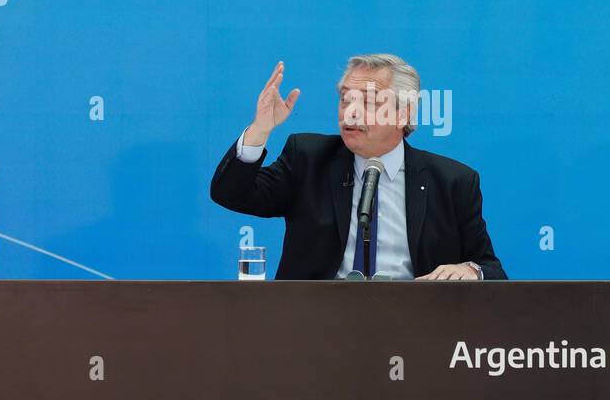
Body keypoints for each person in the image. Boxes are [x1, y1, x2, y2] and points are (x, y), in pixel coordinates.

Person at [211, 54, 506, 280]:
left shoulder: (453, 181)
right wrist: (260, 130)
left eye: (368, 102)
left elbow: (491, 268)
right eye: (345, 100)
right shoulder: (309, 159)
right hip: (315, 327)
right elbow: (231, 194)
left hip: (415, 325)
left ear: (404, 112)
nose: (350, 113)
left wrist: (471, 270)